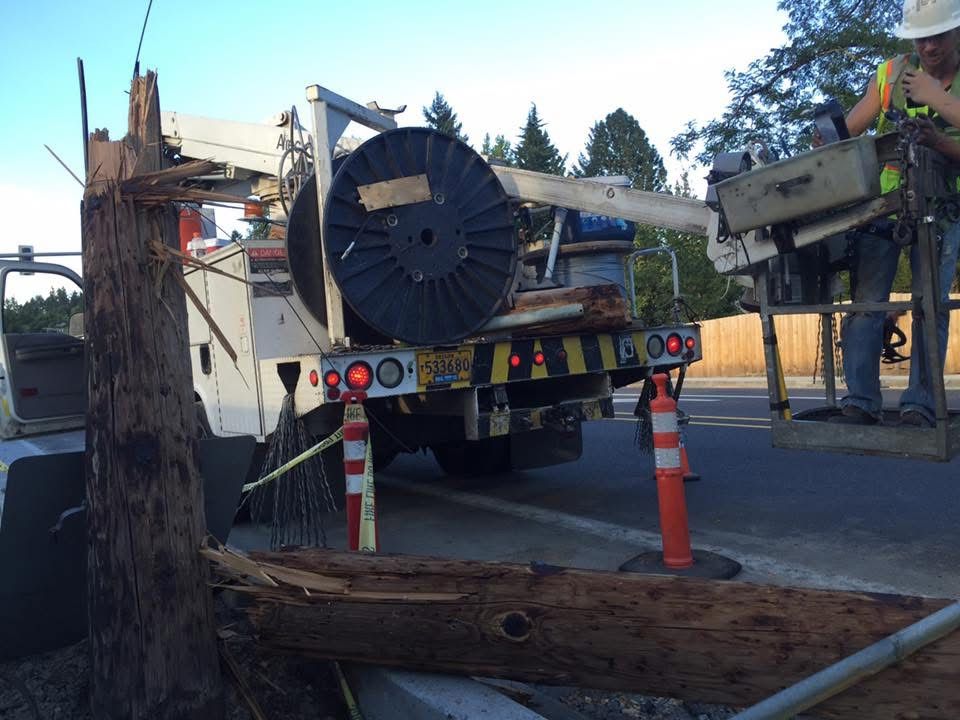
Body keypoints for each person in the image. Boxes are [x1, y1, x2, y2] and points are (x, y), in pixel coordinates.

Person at [831, 0, 960, 427]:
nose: (929, 46)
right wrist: (825, 143)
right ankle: (860, 401)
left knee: (930, 306)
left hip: (941, 209)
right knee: (867, 304)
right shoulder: (890, 74)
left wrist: (936, 107)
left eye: (938, 35)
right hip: (884, 207)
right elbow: (849, 130)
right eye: (921, 37)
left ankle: (920, 404)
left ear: (956, 31)